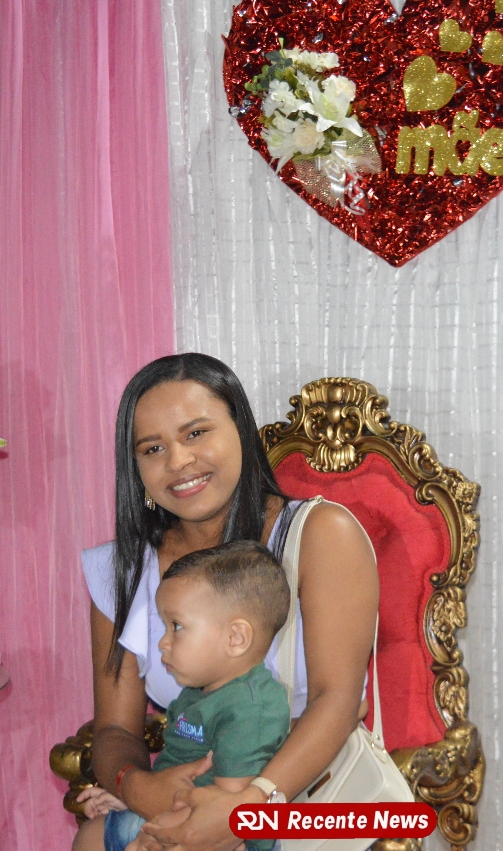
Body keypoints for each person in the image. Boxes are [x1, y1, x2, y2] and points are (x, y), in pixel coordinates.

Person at [76, 354, 378, 851]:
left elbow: (338, 700)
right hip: (190, 795)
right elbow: (113, 729)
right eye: (153, 448)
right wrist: (139, 787)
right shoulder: (121, 570)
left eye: (196, 433)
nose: (178, 462)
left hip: (309, 799)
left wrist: (250, 807)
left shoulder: (320, 535)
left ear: (242, 430)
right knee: (94, 838)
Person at [77, 540, 292, 851]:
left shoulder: (250, 708)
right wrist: (134, 801)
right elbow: (175, 767)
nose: (163, 643)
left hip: (213, 832)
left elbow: (225, 813)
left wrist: (153, 834)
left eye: (176, 626)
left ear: (236, 638)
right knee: (90, 837)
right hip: (176, 809)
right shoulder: (199, 691)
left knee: (93, 840)